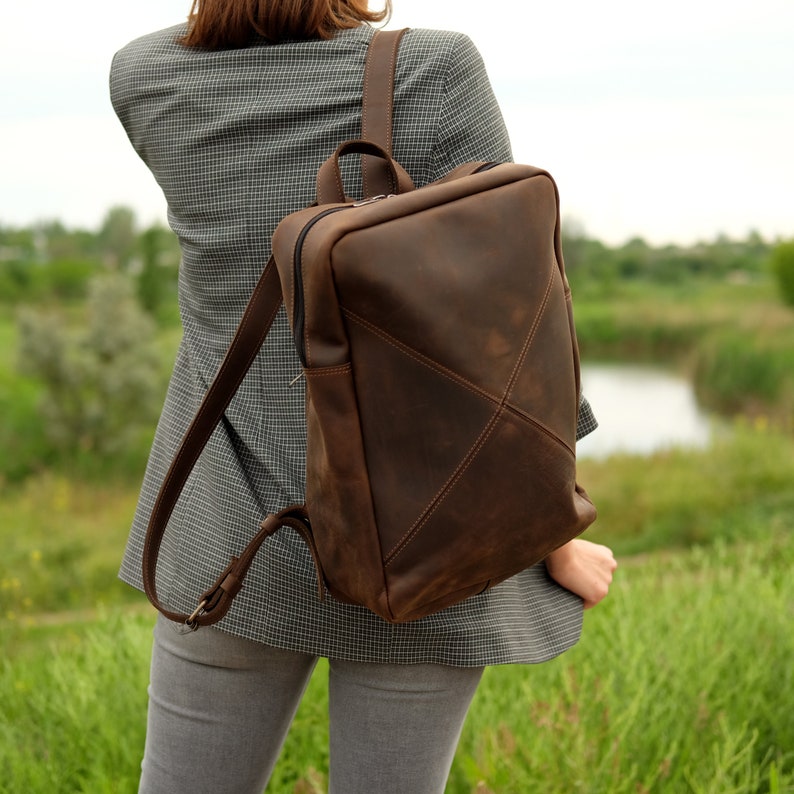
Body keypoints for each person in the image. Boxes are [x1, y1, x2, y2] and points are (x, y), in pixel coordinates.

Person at [110, 1, 617, 792]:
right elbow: (515, 316)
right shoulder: (435, 69)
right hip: (427, 538)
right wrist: (556, 534)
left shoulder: (145, 76)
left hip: (232, 542)